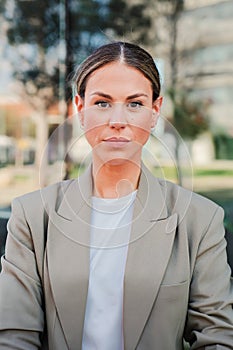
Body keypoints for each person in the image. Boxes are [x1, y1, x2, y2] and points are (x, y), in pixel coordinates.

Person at [0, 41, 233, 350]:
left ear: (155, 111)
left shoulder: (200, 220)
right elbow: (15, 338)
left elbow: (217, 337)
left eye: (135, 103)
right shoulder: (31, 217)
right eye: (102, 103)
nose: (118, 120)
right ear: (80, 110)